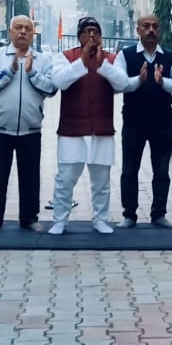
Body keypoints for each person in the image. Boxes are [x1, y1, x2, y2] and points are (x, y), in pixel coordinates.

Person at [49, 17, 129, 235]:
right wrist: (82, 62)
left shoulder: (111, 58)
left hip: (102, 130)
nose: (92, 35)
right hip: (72, 129)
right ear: (79, 36)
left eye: (96, 31)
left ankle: (100, 220)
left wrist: (103, 66)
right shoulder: (66, 57)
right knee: (65, 179)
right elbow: (59, 82)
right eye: (87, 31)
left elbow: (123, 84)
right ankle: (60, 220)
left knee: (101, 181)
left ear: (101, 36)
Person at [0, 15, 56, 233]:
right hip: (0, 127)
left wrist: (32, 72)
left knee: (30, 176)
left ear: (33, 34)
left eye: (27, 29)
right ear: (10, 32)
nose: (23, 32)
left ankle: (29, 218)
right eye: (18, 28)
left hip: (30, 128)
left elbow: (51, 89)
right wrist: (10, 70)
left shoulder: (42, 60)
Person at [119, 14, 172, 229]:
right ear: (138, 30)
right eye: (146, 26)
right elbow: (118, 84)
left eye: (155, 26)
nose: (150, 30)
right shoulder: (126, 55)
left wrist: (162, 82)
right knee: (129, 169)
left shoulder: (169, 57)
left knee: (161, 171)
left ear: (159, 31)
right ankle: (129, 215)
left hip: (161, 122)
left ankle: (159, 214)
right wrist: (138, 80)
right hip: (134, 121)